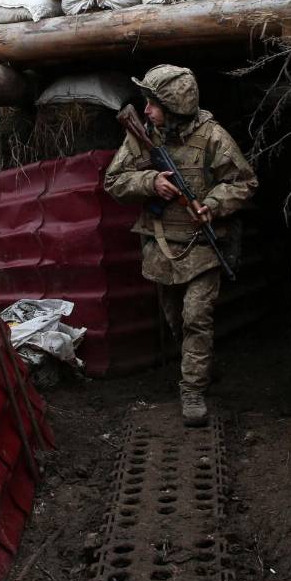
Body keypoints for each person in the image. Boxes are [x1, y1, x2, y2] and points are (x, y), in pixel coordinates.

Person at [104, 65, 258, 426]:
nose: (146, 110)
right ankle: (200, 365)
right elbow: (114, 181)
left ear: (174, 105)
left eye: (153, 103)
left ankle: (192, 391)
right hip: (161, 244)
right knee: (176, 318)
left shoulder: (212, 137)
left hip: (203, 244)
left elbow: (244, 181)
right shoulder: (144, 135)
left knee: (196, 318)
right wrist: (150, 181)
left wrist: (213, 204)